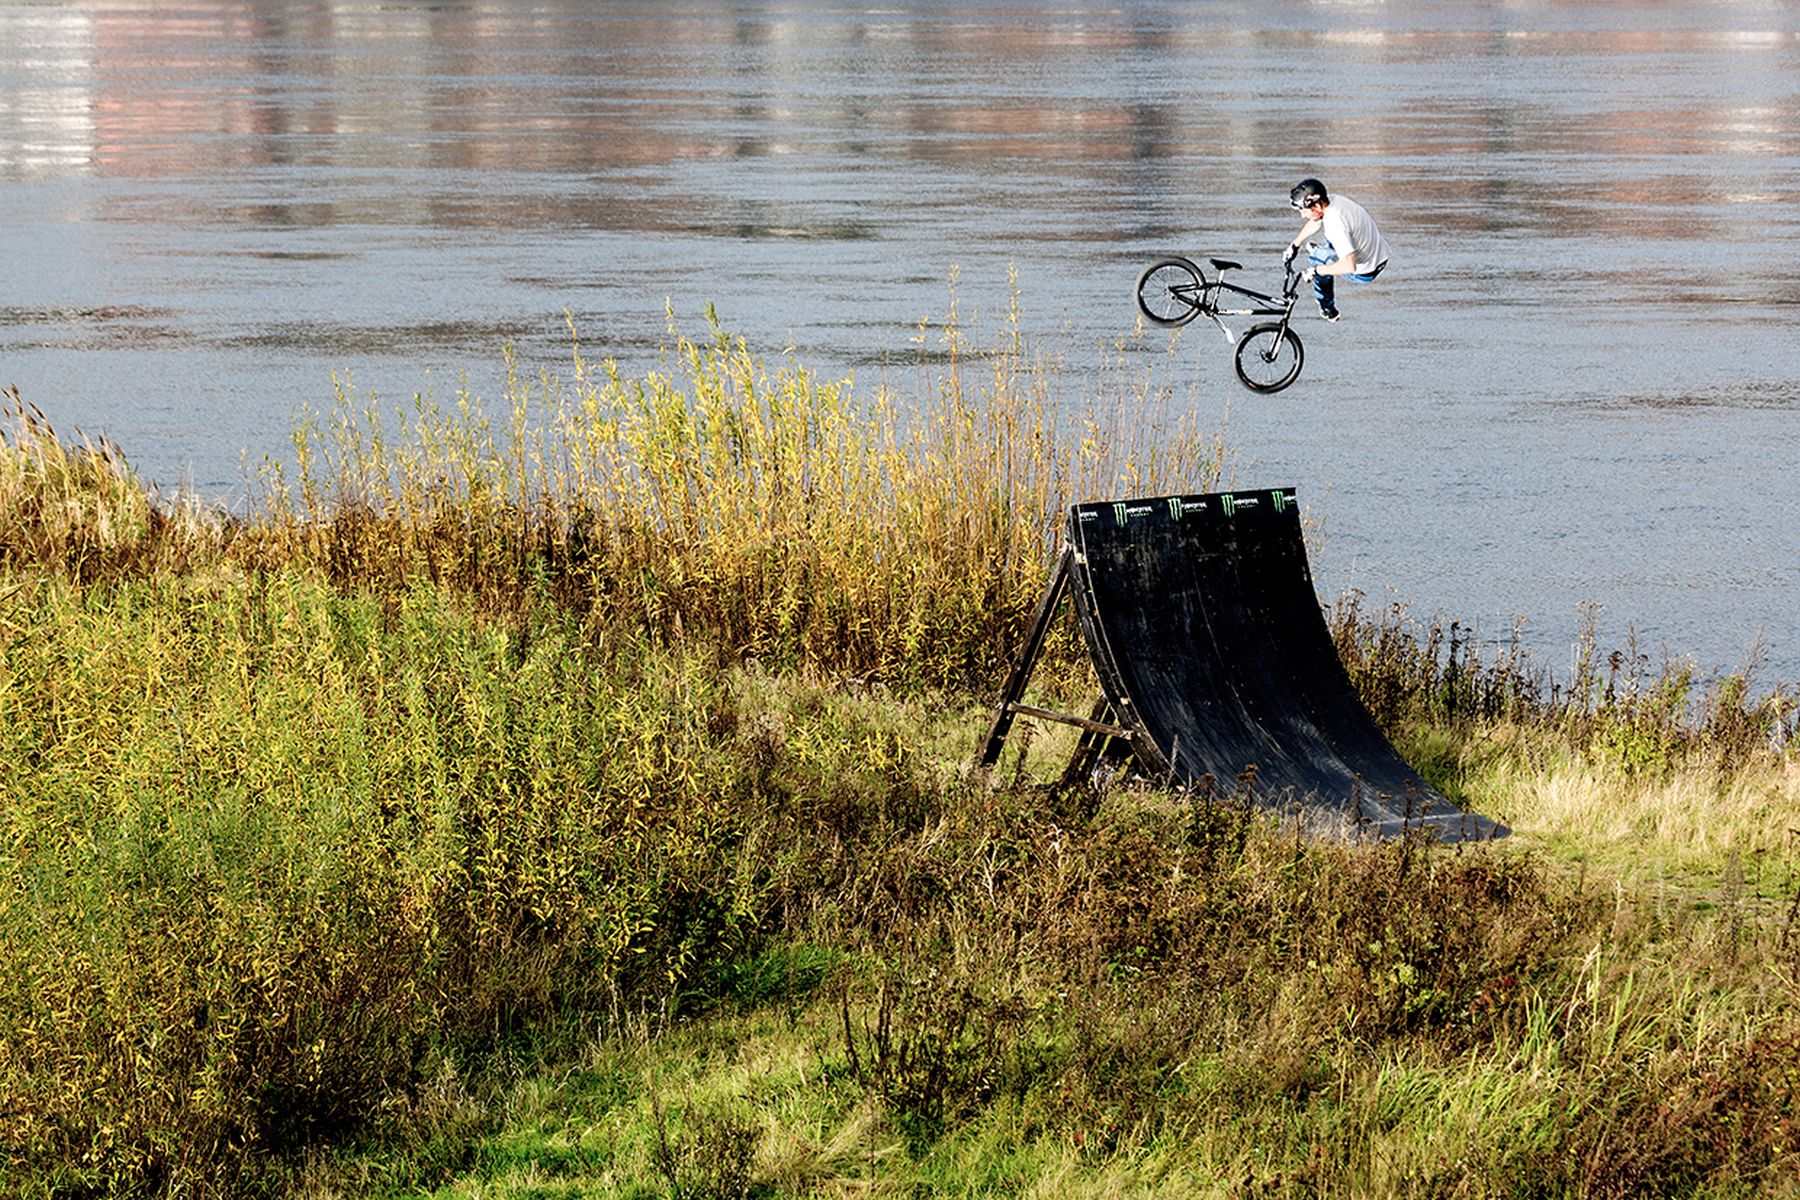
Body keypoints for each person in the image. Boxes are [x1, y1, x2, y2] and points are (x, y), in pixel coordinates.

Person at [1281, 177, 1390, 322]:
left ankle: (1327, 309)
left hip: (1365, 270)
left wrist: (1316, 270)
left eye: (1304, 211)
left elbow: (1349, 265)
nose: (1302, 216)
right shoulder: (1332, 201)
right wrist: (1294, 245)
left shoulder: (1335, 223)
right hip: (1378, 252)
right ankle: (1326, 253)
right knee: (1331, 241)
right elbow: (1315, 222)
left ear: (1317, 207)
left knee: (1316, 259)